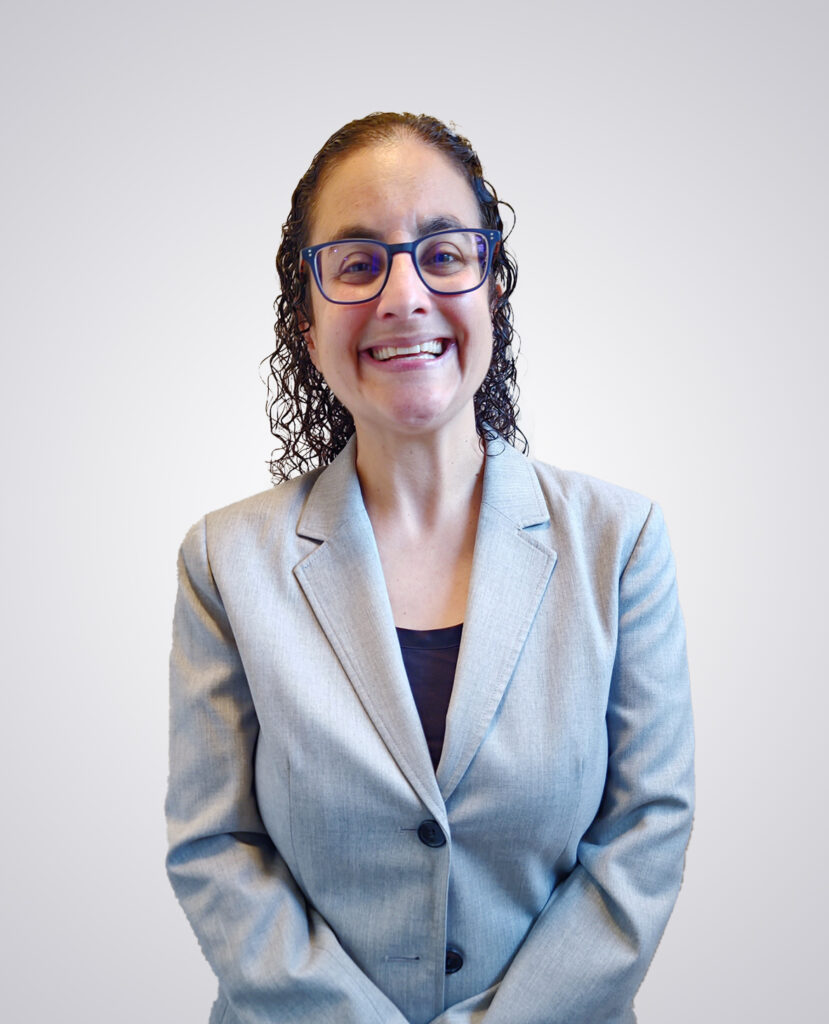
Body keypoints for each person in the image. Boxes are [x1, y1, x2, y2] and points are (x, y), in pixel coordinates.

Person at [165, 112, 694, 1024]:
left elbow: (643, 839)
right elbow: (218, 849)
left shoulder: (621, 542)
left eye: (443, 253)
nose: (403, 294)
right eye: (358, 261)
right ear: (306, 316)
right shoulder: (224, 561)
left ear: (490, 288)